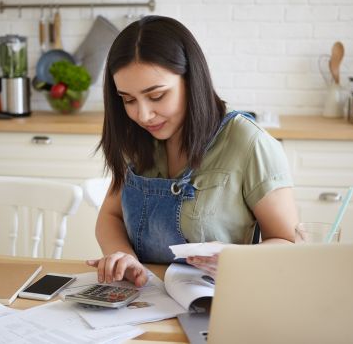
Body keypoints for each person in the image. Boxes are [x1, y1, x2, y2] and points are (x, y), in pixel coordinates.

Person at [86, 15, 298, 287]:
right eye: (128, 100)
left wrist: (237, 259)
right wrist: (123, 257)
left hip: (219, 303)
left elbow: (288, 243)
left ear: (191, 79)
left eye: (157, 96)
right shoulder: (137, 139)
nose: (143, 115)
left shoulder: (249, 143)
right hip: (143, 302)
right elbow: (110, 216)